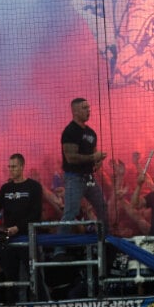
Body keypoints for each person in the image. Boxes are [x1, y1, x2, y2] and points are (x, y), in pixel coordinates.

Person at [0, 153, 44, 300]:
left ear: (22, 166)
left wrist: (18, 228)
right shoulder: (6, 188)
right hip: (9, 240)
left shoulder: (34, 187)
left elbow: (36, 215)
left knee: (34, 274)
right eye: (9, 167)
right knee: (10, 276)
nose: (11, 169)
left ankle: (41, 304)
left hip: (28, 238)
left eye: (13, 166)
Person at [58, 98, 109, 240]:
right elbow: (70, 157)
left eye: (89, 107)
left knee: (102, 206)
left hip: (89, 178)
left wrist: (97, 162)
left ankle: (105, 239)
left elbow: (94, 156)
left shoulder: (92, 133)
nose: (89, 110)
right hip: (74, 177)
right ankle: (59, 249)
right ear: (74, 111)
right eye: (84, 108)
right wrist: (93, 157)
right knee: (71, 212)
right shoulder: (70, 131)